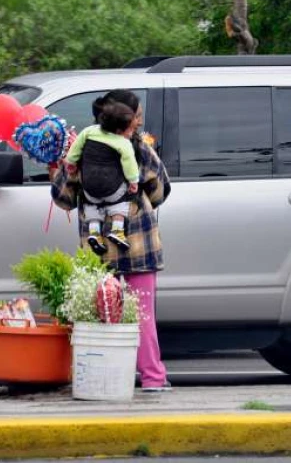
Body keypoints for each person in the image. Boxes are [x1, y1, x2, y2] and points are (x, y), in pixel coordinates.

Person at [50, 89, 173, 392]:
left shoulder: (80, 151)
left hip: (97, 251)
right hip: (138, 246)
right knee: (142, 316)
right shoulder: (140, 149)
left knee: (99, 315)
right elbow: (160, 191)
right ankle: (153, 379)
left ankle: (101, 379)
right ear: (128, 120)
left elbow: (63, 200)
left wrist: (55, 170)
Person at [64, 100, 140, 255]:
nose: (132, 133)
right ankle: (117, 230)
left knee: (92, 205)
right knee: (121, 200)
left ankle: (94, 233)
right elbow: (129, 164)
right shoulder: (123, 143)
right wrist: (133, 181)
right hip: (112, 189)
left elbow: (76, 147)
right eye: (130, 130)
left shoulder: (89, 131)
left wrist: (70, 162)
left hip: (89, 188)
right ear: (119, 130)